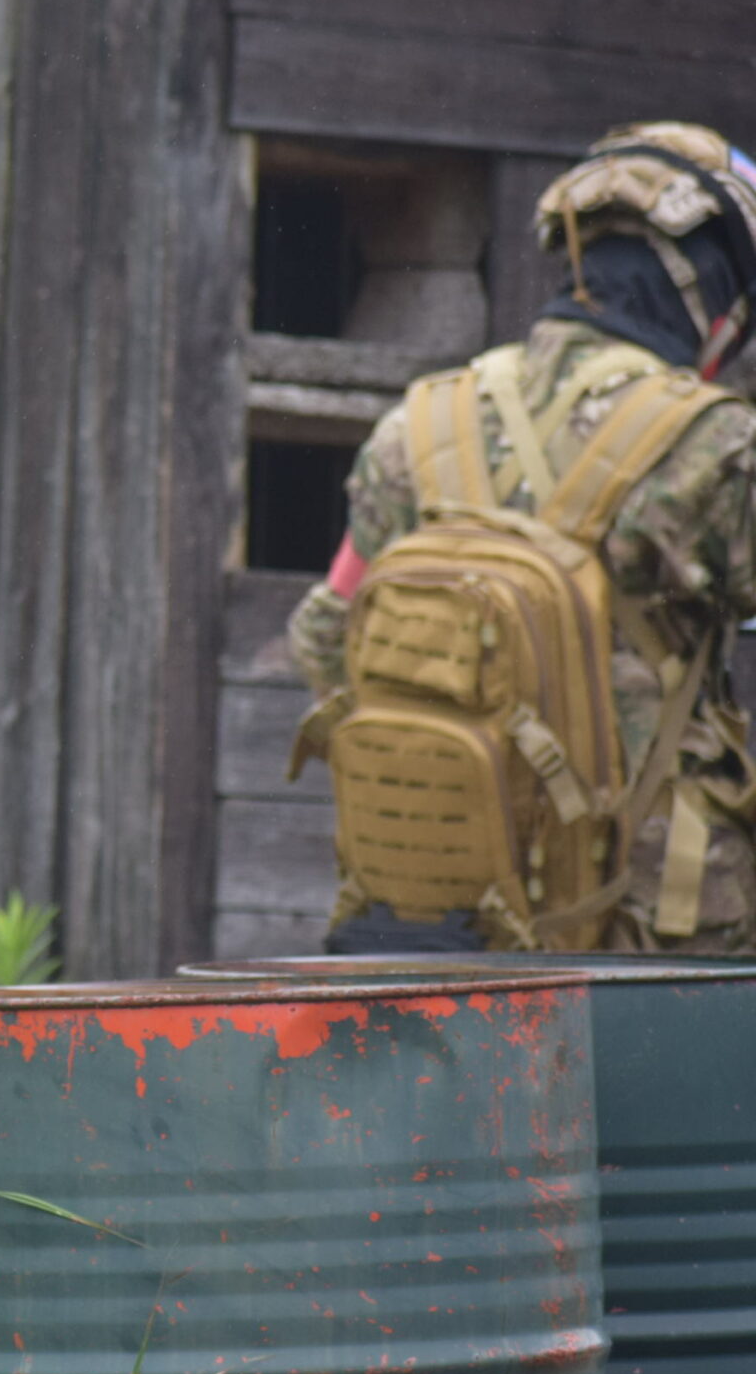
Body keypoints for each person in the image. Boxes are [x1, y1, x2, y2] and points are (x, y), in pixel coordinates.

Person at [286, 121, 756, 955]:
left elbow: (325, 636)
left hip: (443, 922)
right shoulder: (714, 447)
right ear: (719, 299)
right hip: (651, 937)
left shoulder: (420, 424)